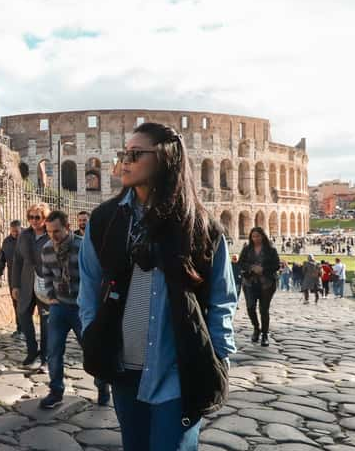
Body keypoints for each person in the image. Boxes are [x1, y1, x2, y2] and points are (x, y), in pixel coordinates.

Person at [79, 122, 237, 451]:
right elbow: (89, 285)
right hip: (124, 369)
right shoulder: (104, 220)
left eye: (136, 154)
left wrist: (218, 355)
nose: (125, 160)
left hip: (179, 370)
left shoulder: (200, 225)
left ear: (165, 158)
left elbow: (222, 297)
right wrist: (93, 333)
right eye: (124, 153)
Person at [36, 210, 111, 408]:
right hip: (59, 306)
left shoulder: (83, 247)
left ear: (68, 227)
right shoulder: (46, 249)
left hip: (81, 308)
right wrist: (51, 297)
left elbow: (96, 276)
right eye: (49, 231)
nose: (53, 236)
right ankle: (56, 391)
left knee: (92, 349)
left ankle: (102, 385)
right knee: (53, 351)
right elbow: (47, 275)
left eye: (57, 231)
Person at [11, 202, 51, 369]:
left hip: (46, 284)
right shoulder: (24, 235)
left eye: (37, 217)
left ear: (45, 218)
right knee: (23, 316)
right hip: (27, 283)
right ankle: (32, 350)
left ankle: (45, 356)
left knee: (46, 321)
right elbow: (17, 261)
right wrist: (15, 285)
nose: (33, 220)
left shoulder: (51, 235)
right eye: (30, 217)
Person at [238, 227, 281, 347]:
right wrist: (252, 267)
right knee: (250, 307)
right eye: (253, 236)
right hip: (249, 282)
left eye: (258, 236)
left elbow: (276, 265)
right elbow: (241, 263)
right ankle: (256, 328)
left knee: (264, 309)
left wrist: (263, 269)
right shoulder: (247, 249)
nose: (256, 238)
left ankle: (265, 335)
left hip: (266, 283)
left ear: (263, 236)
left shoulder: (270, 250)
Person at [0, 220, 23, 338]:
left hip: (27, 275)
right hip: (13, 276)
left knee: (26, 303)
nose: (15, 234)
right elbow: (1, 258)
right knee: (16, 302)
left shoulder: (27, 238)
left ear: (20, 229)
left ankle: (27, 328)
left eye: (16, 231)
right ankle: (20, 328)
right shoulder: (6, 242)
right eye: (12, 232)